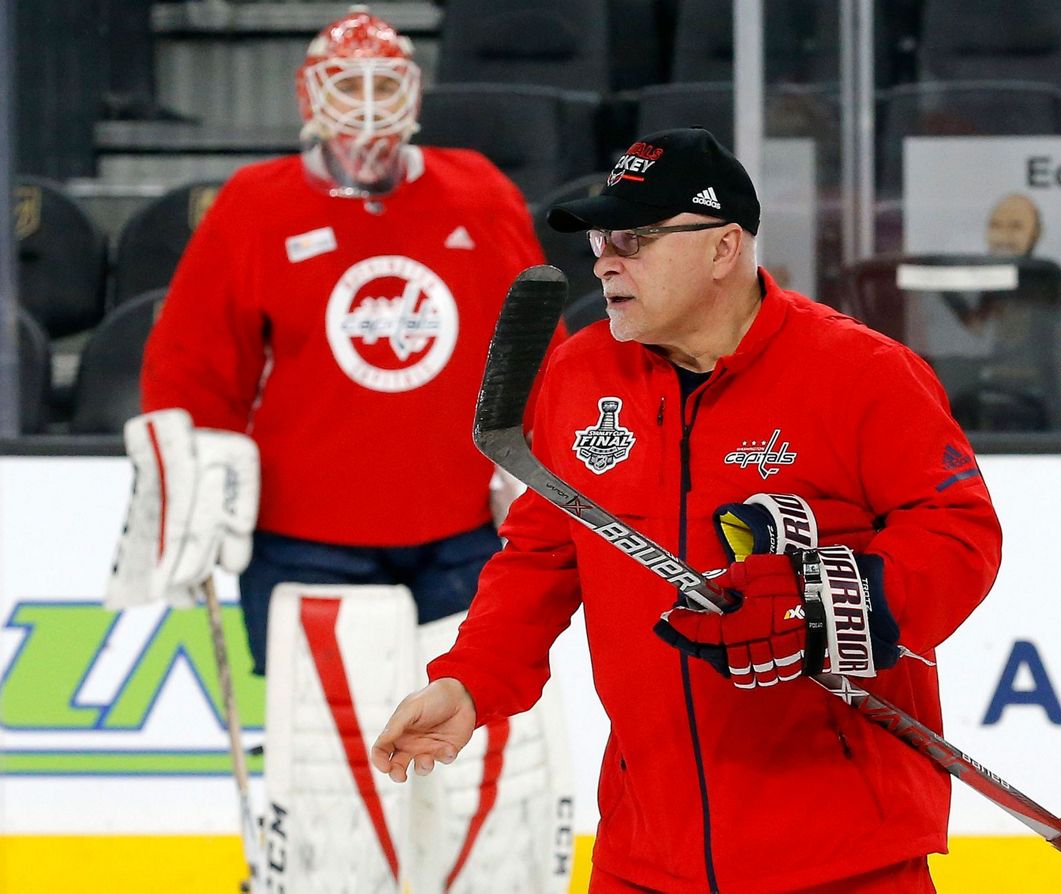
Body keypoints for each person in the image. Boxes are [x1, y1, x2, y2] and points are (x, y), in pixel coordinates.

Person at [372, 127, 1002, 893]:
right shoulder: (581, 374)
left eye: (633, 239)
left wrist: (819, 600)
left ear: (724, 247)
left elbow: (959, 533)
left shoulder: (861, 374)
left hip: (842, 857)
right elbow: (541, 555)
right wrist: (470, 683)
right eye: (602, 238)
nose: (606, 259)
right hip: (648, 855)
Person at [138, 7, 545, 674]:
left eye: (382, 86)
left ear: (412, 91)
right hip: (301, 540)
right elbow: (194, 367)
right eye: (344, 85)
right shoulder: (255, 204)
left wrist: (538, 468)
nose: (364, 106)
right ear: (309, 95)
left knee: (464, 757)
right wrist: (194, 487)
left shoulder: (479, 192)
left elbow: (534, 346)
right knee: (326, 760)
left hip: (464, 531)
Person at [985, 192, 1042, 257]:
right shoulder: (973, 266)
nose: (1004, 236)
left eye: (1015, 227)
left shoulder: (1046, 267)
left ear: (1035, 234)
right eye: (996, 226)